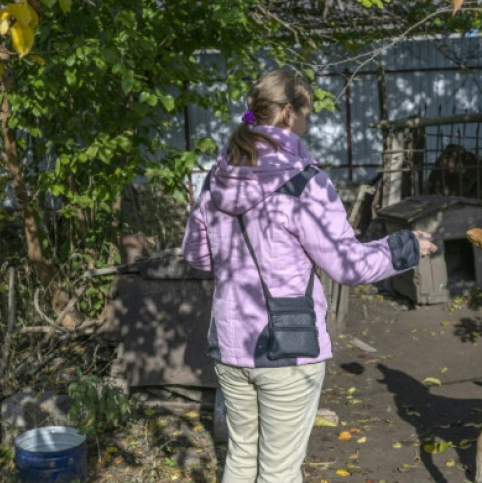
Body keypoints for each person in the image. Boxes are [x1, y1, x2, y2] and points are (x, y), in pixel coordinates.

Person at [182, 69, 436, 483]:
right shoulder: (304, 182)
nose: (309, 122)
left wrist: (238, 265)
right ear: (287, 114)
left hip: (229, 346)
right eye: (307, 113)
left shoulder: (216, 179)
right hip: (288, 346)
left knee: (241, 458)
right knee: (280, 472)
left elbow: (197, 255)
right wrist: (403, 248)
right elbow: (347, 266)